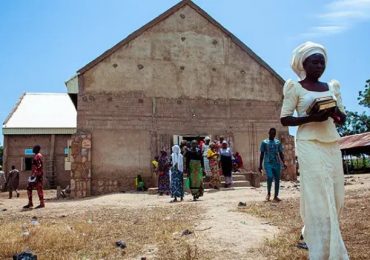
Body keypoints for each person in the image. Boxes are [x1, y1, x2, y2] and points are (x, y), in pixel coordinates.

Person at [280, 41, 348, 259]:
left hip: (331, 143)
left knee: (336, 193)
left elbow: (342, 119)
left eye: (322, 62)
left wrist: (334, 111)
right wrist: (311, 117)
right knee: (318, 193)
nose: (319, 66)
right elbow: (285, 118)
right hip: (309, 143)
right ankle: (321, 247)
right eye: (314, 62)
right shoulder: (295, 87)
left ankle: (310, 234)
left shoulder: (333, 87)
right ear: (304, 64)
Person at [258, 128, 286, 202]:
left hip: (276, 163)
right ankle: (268, 193)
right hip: (268, 163)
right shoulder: (264, 142)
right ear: (269, 133)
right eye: (271, 133)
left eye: (274, 133)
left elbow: (281, 153)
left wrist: (284, 162)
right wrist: (260, 165)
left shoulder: (278, 142)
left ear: (275, 134)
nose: (272, 135)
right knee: (270, 177)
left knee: (277, 179)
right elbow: (262, 154)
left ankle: (276, 196)